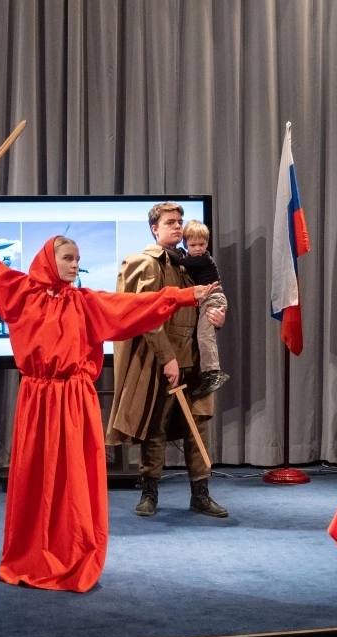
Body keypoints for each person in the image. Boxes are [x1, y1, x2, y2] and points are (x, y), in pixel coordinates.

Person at [0, 197, 219, 592]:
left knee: (74, 483)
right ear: (49, 260)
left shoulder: (86, 302)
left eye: (78, 259)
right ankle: (32, 552)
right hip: (38, 401)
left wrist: (185, 296)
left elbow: (136, 306)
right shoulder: (19, 293)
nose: (75, 264)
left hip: (75, 402)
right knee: (36, 480)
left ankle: (72, 551)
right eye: (68, 258)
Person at [106, 201, 229, 518]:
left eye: (179, 221)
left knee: (198, 427)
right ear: (154, 229)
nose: (177, 226)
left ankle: (201, 494)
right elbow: (147, 316)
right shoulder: (148, 263)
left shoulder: (191, 262)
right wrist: (167, 358)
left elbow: (206, 302)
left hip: (194, 359)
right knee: (155, 427)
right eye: (170, 222)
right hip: (162, 360)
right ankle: (149, 492)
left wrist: (216, 316)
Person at [172, 220, 230, 397]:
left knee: (205, 335)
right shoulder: (193, 258)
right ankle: (209, 372)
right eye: (193, 245)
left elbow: (182, 262)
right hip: (208, 300)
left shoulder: (203, 259)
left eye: (202, 244)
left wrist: (174, 254)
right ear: (186, 244)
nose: (198, 248)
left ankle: (213, 372)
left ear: (207, 243)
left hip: (213, 298)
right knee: (203, 334)